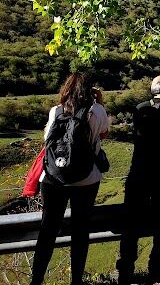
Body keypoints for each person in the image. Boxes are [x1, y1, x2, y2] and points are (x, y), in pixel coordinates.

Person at [31, 73, 110, 285]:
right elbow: (103, 134)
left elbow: (47, 140)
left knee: (47, 231)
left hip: (53, 179)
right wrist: (99, 103)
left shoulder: (56, 111)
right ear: (88, 91)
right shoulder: (97, 111)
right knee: (80, 231)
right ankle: (76, 281)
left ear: (65, 89)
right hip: (86, 179)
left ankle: (36, 280)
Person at [117, 74, 160, 284]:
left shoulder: (139, 108)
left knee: (131, 222)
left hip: (138, 171)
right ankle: (156, 267)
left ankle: (126, 269)